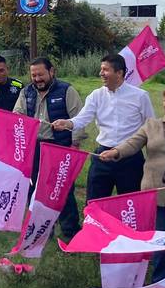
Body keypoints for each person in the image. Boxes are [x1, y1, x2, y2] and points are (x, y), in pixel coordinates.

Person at [98, 86, 165, 282]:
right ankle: (160, 281)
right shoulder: (151, 125)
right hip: (153, 193)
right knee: (157, 241)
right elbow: (132, 143)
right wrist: (115, 152)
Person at [52, 54, 154, 200]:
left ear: (119, 73)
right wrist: (68, 123)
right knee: (95, 202)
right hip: (103, 156)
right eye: (101, 69)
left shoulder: (140, 96)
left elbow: (151, 126)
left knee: (130, 205)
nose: (101, 73)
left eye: (105, 70)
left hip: (130, 158)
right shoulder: (96, 95)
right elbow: (82, 118)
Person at [13, 57, 84, 239]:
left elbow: (79, 119)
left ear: (52, 71)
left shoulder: (67, 91)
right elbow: (17, 115)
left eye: (41, 74)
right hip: (34, 147)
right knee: (36, 188)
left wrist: (74, 145)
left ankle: (70, 230)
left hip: (59, 147)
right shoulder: (26, 92)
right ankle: (42, 229)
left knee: (63, 189)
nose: (37, 79)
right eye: (34, 75)